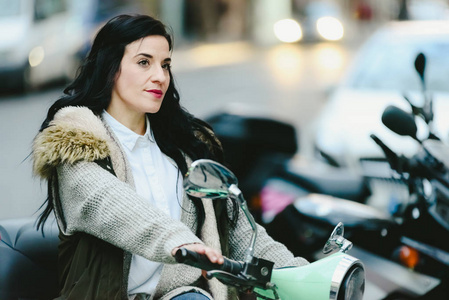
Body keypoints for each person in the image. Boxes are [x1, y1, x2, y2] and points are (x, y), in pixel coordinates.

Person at [32, 14, 308, 300]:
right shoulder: (76, 142)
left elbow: (239, 229)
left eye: (165, 65)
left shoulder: (184, 150)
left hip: (183, 295)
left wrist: (302, 277)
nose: (160, 76)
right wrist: (178, 241)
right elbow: (111, 203)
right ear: (110, 67)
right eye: (144, 62)